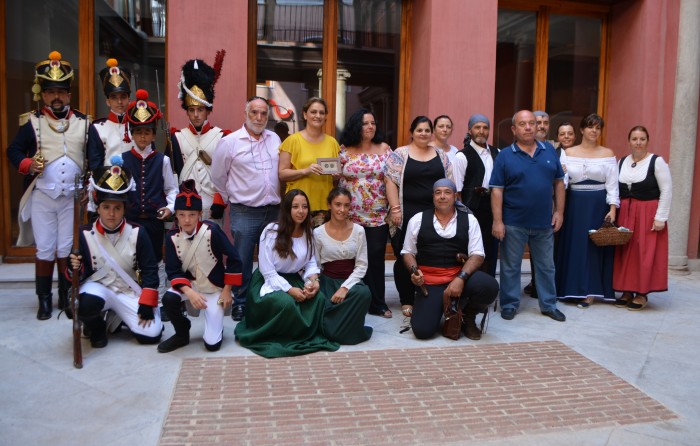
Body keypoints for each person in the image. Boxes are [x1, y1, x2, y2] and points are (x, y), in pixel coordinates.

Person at [6, 50, 100, 320]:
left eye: (61, 91)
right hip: (43, 197)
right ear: (42, 94)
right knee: (45, 248)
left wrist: (89, 187)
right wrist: (27, 165)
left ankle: (65, 297)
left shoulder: (84, 123)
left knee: (66, 248)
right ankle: (43, 300)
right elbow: (13, 151)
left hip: (72, 199)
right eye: (50, 92)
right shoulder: (31, 122)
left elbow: (96, 158)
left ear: (68, 94)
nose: (56, 97)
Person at [234, 189, 339, 358]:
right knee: (286, 303)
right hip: (267, 281)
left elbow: (311, 263)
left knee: (318, 298)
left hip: (293, 279)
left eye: (304, 207)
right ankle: (280, 338)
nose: (301, 211)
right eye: (295, 206)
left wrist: (313, 282)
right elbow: (267, 271)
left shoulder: (309, 233)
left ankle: (302, 336)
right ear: (287, 209)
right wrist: (289, 290)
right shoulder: (271, 232)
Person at [69, 163, 162, 348]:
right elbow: (77, 275)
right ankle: (97, 327)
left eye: (117, 208)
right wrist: (73, 267)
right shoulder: (84, 234)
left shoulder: (138, 232)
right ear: (98, 208)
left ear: (124, 208)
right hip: (99, 288)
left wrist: (146, 302)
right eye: (106, 207)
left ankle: (117, 316)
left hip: (128, 291)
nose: (111, 214)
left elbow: (150, 269)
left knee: (151, 335)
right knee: (80, 306)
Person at [490, 110, 566, 322]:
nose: (529, 127)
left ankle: (549, 304)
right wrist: (497, 221)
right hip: (513, 222)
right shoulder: (505, 155)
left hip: (544, 223)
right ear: (514, 129)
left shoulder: (549, 151)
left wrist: (559, 212)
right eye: (523, 124)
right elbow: (497, 189)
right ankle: (509, 304)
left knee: (546, 266)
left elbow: (559, 183)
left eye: (532, 123)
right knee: (510, 266)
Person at [211, 96, 282, 322]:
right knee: (241, 257)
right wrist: (231, 197)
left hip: (273, 210)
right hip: (244, 210)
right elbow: (218, 177)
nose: (259, 118)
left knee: (271, 256)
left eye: (263, 113)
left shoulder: (275, 139)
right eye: (254, 113)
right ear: (246, 114)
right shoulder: (230, 142)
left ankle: (265, 297)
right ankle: (240, 302)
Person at [402, 179, 499, 340]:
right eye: (438, 192)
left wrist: (461, 278)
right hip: (430, 282)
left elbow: (478, 254)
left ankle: (468, 317)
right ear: (433, 197)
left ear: (455, 196)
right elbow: (407, 252)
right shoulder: (418, 219)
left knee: (489, 286)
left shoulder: (469, 220)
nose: (442, 196)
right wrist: (414, 271)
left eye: (447, 192)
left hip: (459, 278)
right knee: (422, 331)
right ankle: (442, 306)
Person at [159, 180, 243, 353]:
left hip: (214, 289)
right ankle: (182, 333)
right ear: (176, 216)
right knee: (169, 299)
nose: (187, 220)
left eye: (191, 214)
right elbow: (173, 271)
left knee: (212, 345)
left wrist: (227, 290)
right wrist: (190, 292)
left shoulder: (213, 230)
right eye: (182, 215)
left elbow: (235, 259)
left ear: (199, 214)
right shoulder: (172, 237)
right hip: (191, 287)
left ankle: (213, 325)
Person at [384, 116, 453, 319]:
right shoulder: (400, 154)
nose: (423, 133)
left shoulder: (440, 155)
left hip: (434, 217)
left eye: (426, 130)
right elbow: (390, 182)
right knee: (405, 258)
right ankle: (406, 299)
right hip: (405, 216)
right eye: (419, 130)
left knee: (429, 257)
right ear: (412, 132)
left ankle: (426, 295)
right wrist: (395, 210)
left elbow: (449, 183)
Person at [555, 114, 619, 308]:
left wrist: (613, 209)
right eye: (590, 127)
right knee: (574, 246)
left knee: (592, 248)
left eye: (598, 128)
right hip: (574, 204)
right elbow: (562, 183)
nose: (594, 131)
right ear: (581, 130)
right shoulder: (568, 153)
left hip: (598, 205)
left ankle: (589, 292)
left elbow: (612, 185)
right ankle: (570, 289)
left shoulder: (608, 154)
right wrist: (562, 173)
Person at [338, 108, 392, 318]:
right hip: (350, 215)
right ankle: (356, 301)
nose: (370, 126)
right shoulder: (345, 150)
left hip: (378, 215)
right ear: (355, 126)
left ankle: (378, 303)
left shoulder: (385, 148)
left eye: (373, 123)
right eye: (365, 123)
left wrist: (395, 207)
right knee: (353, 258)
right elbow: (335, 178)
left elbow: (392, 179)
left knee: (376, 257)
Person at [613, 126, 672, 310]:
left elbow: (667, 190)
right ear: (629, 141)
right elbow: (614, 189)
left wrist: (660, 217)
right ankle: (627, 290)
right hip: (626, 214)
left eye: (642, 139)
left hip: (648, 213)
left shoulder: (657, 161)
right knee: (626, 252)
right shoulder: (621, 162)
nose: (638, 143)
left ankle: (642, 293)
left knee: (644, 253)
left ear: (647, 141)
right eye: (634, 139)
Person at [171, 54, 230, 226]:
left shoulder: (222, 137)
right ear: (187, 111)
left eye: (201, 109)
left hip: (213, 205)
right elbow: (173, 175)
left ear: (208, 110)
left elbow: (226, 174)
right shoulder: (177, 138)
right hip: (186, 208)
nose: (196, 115)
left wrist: (220, 201)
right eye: (191, 110)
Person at [122, 89, 178, 264]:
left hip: (154, 222)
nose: (143, 136)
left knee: (153, 261)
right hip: (130, 221)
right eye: (138, 132)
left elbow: (171, 189)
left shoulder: (163, 160)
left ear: (153, 134)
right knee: (131, 259)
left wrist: (170, 207)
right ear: (132, 134)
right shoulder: (122, 160)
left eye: (147, 132)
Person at [313, 187, 373, 344]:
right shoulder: (318, 233)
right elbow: (315, 265)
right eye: (338, 204)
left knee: (364, 294)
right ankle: (335, 328)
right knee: (319, 299)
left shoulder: (358, 231)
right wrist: (314, 282)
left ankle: (340, 329)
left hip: (351, 281)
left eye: (346, 205)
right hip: (327, 281)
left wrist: (345, 288)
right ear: (329, 205)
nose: (342, 209)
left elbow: (361, 265)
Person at [279, 97, 341, 227]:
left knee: (321, 246)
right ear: (305, 114)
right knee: (297, 245)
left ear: (325, 117)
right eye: (313, 112)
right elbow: (282, 174)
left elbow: (335, 178)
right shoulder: (292, 141)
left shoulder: (332, 143)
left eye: (322, 113)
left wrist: (336, 176)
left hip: (324, 205)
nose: (318, 116)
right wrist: (305, 170)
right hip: (298, 207)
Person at [453, 114, 499, 277]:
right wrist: (463, 217)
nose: (481, 131)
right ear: (470, 130)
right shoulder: (461, 156)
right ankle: (472, 288)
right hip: (472, 209)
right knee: (473, 250)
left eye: (485, 127)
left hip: (493, 208)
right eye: (477, 127)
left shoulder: (497, 152)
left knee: (491, 249)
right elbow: (457, 191)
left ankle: (489, 286)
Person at [89, 58, 132, 167]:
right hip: (106, 181)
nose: (119, 101)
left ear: (129, 99)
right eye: (114, 97)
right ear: (108, 101)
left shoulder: (137, 125)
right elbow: (95, 165)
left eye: (123, 97)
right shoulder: (97, 128)